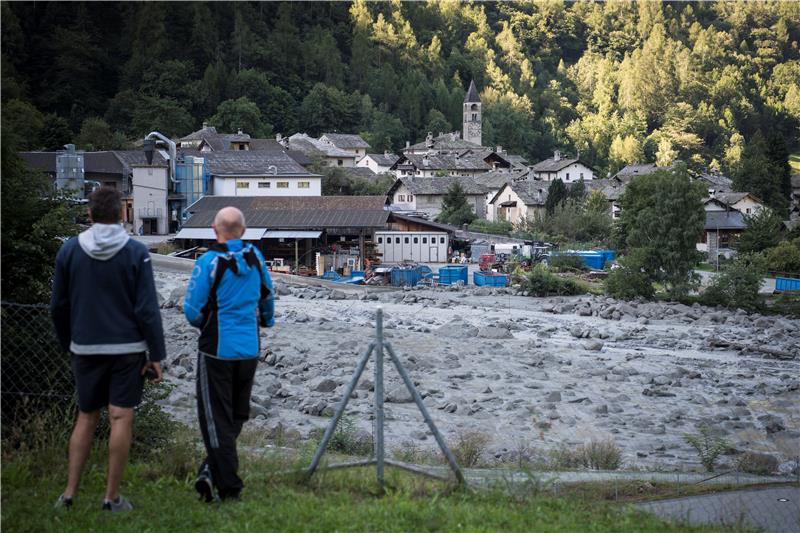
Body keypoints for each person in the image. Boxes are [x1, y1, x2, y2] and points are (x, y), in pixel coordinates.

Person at [50, 187, 165, 512]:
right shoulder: (135, 252)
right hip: (128, 349)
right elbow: (147, 310)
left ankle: (69, 494)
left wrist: (67, 343)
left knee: (86, 416)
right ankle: (111, 498)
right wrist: (156, 354)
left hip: (85, 346)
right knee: (120, 417)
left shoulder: (69, 251)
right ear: (121, 214)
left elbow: (58, 306)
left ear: (89, 214)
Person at [183, 207, 274, 502]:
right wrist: (266, 321)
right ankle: (209, 473)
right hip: (249, 347)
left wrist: (206, 323)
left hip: (217, 349)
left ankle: (229, 486)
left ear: (214, 230)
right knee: (235, 415)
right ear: (244, 231)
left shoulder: (208, 261)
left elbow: (192, 311)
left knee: (214, 418)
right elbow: (268, 297)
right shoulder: (256, 258)